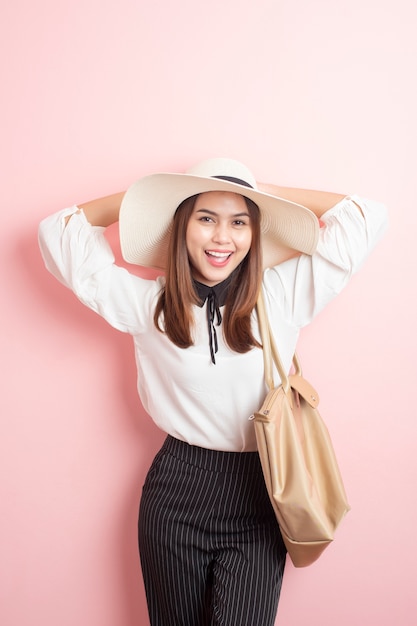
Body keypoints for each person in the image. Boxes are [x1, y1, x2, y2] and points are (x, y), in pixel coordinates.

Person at [38, 157, 388, 626]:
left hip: (263, 489)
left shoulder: (281, 294)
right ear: (182, 225)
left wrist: (257, 190)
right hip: (176, 491)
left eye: (239, 221)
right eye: (206, 218)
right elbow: (58, 231)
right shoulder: (150, 305)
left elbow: (365, 216)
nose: (223, 237)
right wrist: (156, 199)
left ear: (254, 231)